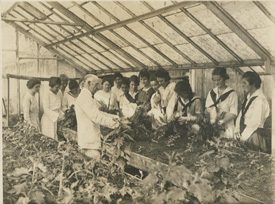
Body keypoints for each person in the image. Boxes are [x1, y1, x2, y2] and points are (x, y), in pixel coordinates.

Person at [75, 74, 120, 160]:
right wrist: (115, 124)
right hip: (89, 144)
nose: (97, 87)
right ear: (88, 84)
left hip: (89, 142)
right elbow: (96, 116)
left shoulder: (88, 96)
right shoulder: (85, 97)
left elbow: (98, 112)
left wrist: (115, 117)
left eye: (98, 85)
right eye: (95, 85)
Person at [235, 71, 270, 152]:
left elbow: (255, 122)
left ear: (253, 84)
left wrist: (243, 137)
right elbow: (241, 115)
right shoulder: (248, 98)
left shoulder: (259, 100)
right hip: (244, 134)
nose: (242, 85)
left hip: (253, 136)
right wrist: (237, 131)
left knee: (254, 160)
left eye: (244, 83)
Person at [205, 68, 238, 138]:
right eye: (214, 80)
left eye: (219, 80)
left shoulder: (232, 94)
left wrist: (221, 121)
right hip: (212, 127)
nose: (216, 83)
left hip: (226, 128)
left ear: (225, 78)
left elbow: (233, 113)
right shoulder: (211, 93)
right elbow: (208, 110)